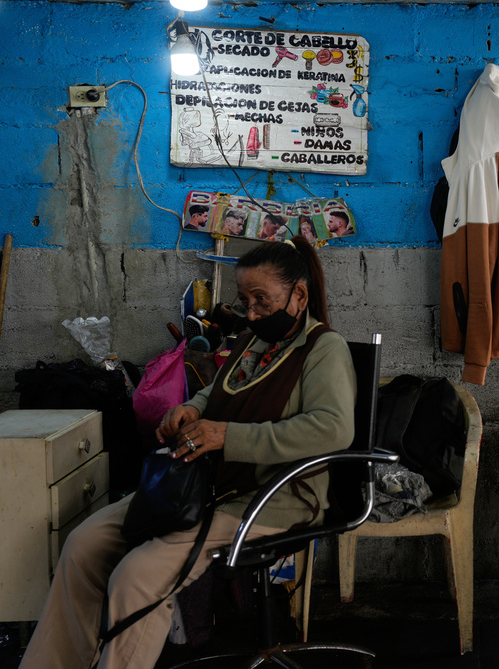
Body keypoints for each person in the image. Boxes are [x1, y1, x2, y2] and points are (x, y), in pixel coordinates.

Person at [19, 236, 358, 669]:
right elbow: (217, 393)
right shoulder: (252, 343)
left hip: (270, 499)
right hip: (212, 483)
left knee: (138, 577)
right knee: (84, 544)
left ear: (299, 296)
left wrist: (227, 436)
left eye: (263, 301)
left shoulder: (324, 349)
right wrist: (191, 409)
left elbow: (333, 430)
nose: (252, 313)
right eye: (245, 302)